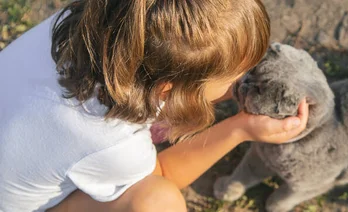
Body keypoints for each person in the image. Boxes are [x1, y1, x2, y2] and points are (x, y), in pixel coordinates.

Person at [0, 0, 309, 211]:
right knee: (159, 202)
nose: (244, 78)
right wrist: (239, 129)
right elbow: (161, 174)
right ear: (169, 88)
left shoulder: (90, 19)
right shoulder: (109, 139)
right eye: (234, 77)